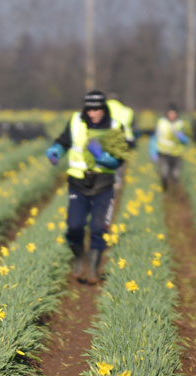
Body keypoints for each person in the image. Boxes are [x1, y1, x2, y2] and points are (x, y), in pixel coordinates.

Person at [45, 89, 126, 285]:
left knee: (99, 227)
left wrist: (101, 157)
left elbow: (119, 159)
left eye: (97, 109)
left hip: (103, 184)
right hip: (78, 183)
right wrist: (55, 151)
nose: (93, 113)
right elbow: (63, 142)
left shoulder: (115, 126)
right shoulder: (75, 121)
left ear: (104, 109)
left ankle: (93, 268)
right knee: (74, 226)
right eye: (90, 109)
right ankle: (79, 257)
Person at [150, 103, 191, 191]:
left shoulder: (181, 124)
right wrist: (153, 151)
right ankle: (165, 191)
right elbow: (154, 138)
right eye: (170, 113)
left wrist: (183, 138)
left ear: (177, 114)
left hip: (177, 154)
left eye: (174, 113)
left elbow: (188, 139)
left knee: (176, 175)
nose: (172, 115)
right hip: (163, 153)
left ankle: (174, 192)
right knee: (164, 174)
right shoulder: (161, 123)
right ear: (167, 113)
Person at [106, 92, 136, 190]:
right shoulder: (127, 111)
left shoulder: (103, 108)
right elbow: (133, 127)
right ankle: (118, 180)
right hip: (124, 139)